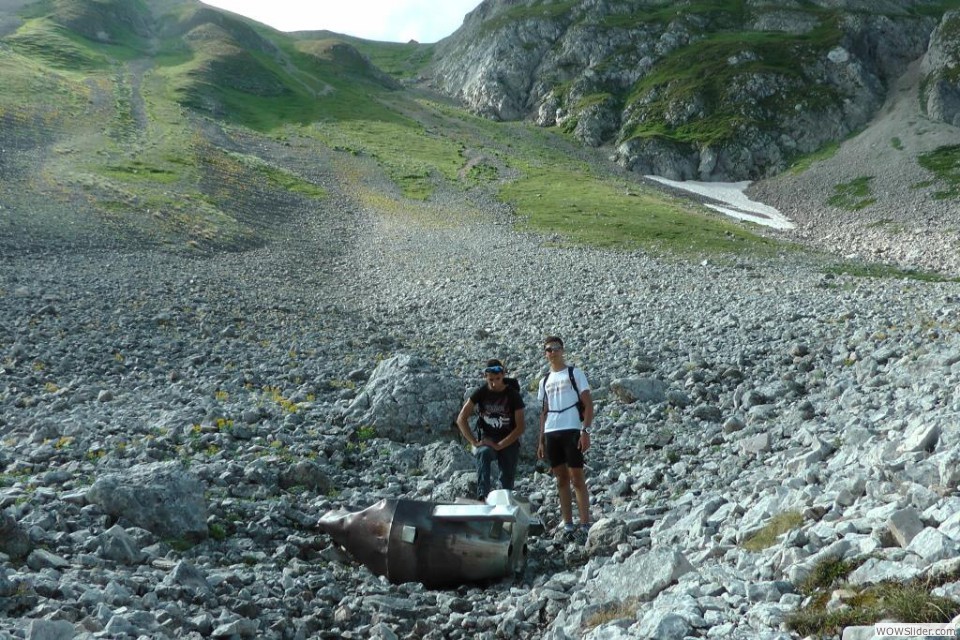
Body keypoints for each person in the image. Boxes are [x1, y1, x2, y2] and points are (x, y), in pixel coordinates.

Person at [537, 336, 594, 537]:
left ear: (562, 350)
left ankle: (585, 522)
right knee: (561, 478)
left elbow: (588, 404)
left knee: (577, 477)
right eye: (548, 350)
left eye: (556, 348)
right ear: (545, 354)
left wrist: (585, 432)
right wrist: (541, 440)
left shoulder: (574, 373)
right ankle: (567, 521)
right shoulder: (544, 380)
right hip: (552, 431)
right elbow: (543, 411)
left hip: (571, 429)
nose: (552, 352)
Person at [456, 359, 526, 501]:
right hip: (489, 439)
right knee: (483, 454)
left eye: (498, 379)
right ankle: (482, 496)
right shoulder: (481, 392)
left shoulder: (513, 395)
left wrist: (500, 445)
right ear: (486, 377)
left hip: (509, 439)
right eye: (491, 380)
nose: (494, 383)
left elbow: (520, 427)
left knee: (507, 479)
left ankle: (505, 502)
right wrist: (474, 442)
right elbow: (461, 419)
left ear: (503, 375)